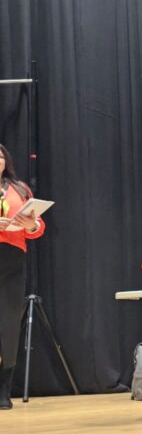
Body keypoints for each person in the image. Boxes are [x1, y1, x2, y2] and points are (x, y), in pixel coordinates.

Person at [0, 143, 45, 410]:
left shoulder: (19, 188)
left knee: (8, 325)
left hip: (12, 260)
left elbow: (37, 227)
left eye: (0, 156)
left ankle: (4, 389)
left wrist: (32, 224)